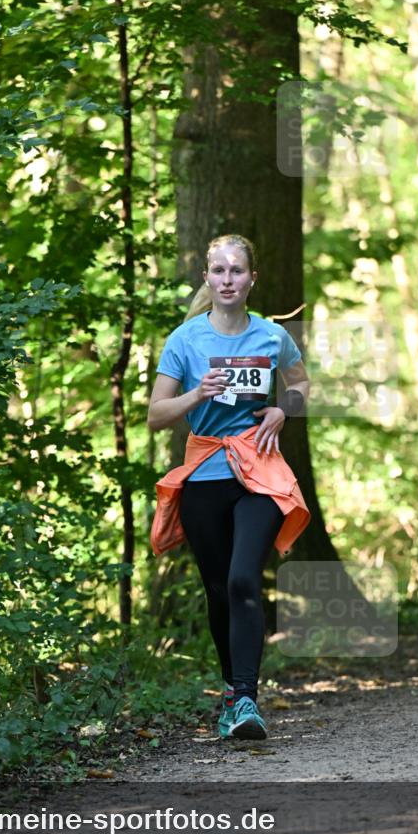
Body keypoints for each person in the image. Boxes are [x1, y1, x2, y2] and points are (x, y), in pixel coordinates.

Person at [147, 234, 310, 741]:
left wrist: (283, 410)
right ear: (207, 277)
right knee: (218, 589)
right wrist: (198, 393)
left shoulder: (272, 336)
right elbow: (155, 415)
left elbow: (302, 384)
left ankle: (246, 699)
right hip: (205, 474)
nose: (227, 279)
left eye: (237, 270)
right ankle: (230, 692)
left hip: (259, 472)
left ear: (252, 279)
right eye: (218, 270)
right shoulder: (185, 340)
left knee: (242, 581)